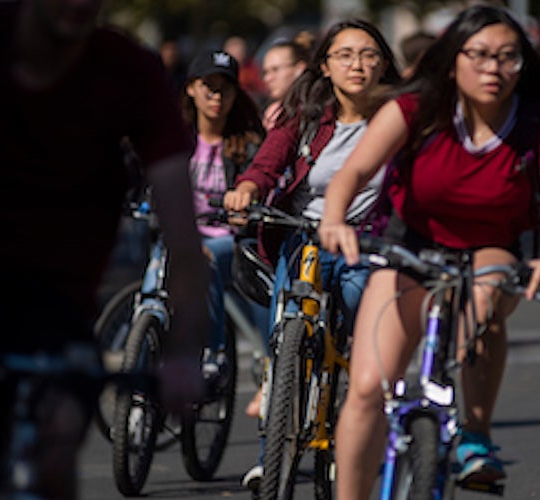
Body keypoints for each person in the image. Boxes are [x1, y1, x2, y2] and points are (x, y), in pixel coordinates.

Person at [0, 1, 210, 498]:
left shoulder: (129, 71)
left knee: (51, 450)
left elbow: (182, 231)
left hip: (49, 300)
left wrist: (184, 354)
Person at [316, 6, 540, 499]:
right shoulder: (416, 107)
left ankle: (474, 437)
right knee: (367, 389)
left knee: (484, 307)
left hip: (491, 245)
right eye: (480, 56)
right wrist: (333, 221)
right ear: (453, 59)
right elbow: (351, 174)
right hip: (411, 242)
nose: (493, 69)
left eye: (508, 58)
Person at [222, 18, 402, 490]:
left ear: (384, 62)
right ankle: (271, 456)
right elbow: (267, 162)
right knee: (287, 338)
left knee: (362, 304)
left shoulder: (401, 116)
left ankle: (359, 410)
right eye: (344, 55)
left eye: (368, 54)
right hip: (304, 235)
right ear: (324, 65)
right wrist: (246, 188)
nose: (357, 65)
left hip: (369, 240)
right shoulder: (303, 111)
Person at [181, 49, 269, 370]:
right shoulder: (177, 138)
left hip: (229, 241)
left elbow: (262, 185)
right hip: (181, 235)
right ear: (191, 88)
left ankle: (213, 353)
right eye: (209, 86)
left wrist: (246, 208)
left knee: (203, 256)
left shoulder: (247, 143)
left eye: (225, 88)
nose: (217, 96)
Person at [259, 33, 310, 130]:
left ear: (300, 69)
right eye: (265, 72)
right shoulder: (272, 113)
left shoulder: (316, 109)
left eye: (275, 69)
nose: (267, 78)